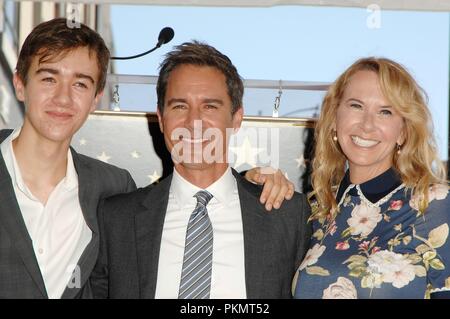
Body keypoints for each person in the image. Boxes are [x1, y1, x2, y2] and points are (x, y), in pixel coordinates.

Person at [0, 18, 295, 299]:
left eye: (80, 83)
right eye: (49, 78)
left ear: (96, 97)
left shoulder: (110, 189)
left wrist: (251, 181)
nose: (63, 98)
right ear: (20, 84)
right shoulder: (118, 209)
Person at [90, 41, 312, 299]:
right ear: (161, 119)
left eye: (209, 106)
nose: (193, 122)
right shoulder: (116, 220)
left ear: (236, 118)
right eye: (179, 106)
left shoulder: (288, 216)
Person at [293, 57, 450, 299]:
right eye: (356, 106)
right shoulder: (318, 210)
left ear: (404, 132)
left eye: (385, 112)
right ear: (335, 118)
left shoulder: (434, 204)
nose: (367, 125)